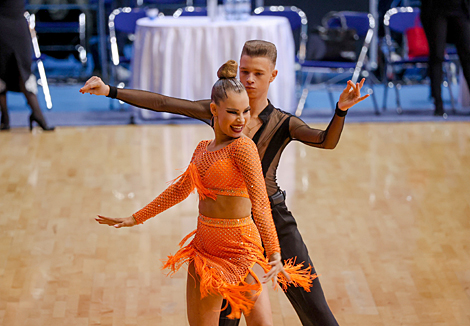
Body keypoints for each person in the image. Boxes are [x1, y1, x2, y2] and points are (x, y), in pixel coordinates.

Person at [80, 40, 369, 326]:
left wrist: (340, 111)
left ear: (273, 76)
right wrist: (111, 91)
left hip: (272, 220)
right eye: (244, 71)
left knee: (314, 309)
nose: (249, 79)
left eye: (258, 73)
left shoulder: (282, 122)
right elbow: (164, 103)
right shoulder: (218, 115)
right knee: (223, 320)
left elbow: (324, 141)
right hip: (222, 235)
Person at [0, 0, 55, 131]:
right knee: (1, 71)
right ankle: (5, 118)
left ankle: (37, 114)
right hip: (3, 25)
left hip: (18, 23)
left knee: (23, 70)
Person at [420, 0, 470, 116]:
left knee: (467, 55)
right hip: (435, 9)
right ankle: (438, 104)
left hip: (460, 8)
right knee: (437, 56)